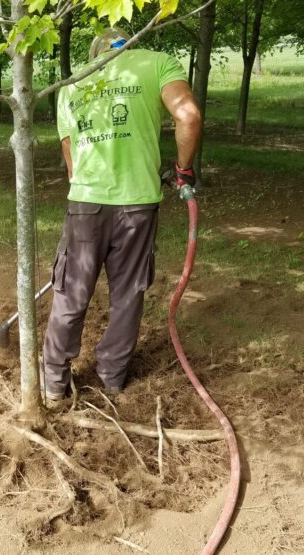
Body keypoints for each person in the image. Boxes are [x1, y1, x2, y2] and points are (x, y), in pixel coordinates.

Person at [41, 28, 202, 401]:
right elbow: (189, 117)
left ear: (95, 52)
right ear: (130, 42)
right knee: (128, 294)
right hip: (138, 205)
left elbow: (72, 165)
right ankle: (112, 377)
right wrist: (183, 169)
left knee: (70, 294)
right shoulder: (158, 63)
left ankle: (53, 385)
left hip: (86, 205)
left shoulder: (73, 83)